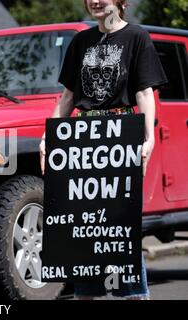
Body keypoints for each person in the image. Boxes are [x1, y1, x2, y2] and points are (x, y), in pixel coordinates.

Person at [39, 0, 167, 300]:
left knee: (120, 223)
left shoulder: (137, 37)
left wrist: (148, 138)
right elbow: (68, 95)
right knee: (85, 224)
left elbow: (144, 91)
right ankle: (86, 296)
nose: (95, 0)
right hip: (82, 137)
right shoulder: (81, 41)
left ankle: (135, 296)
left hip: (121, 133)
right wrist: (50, 137)